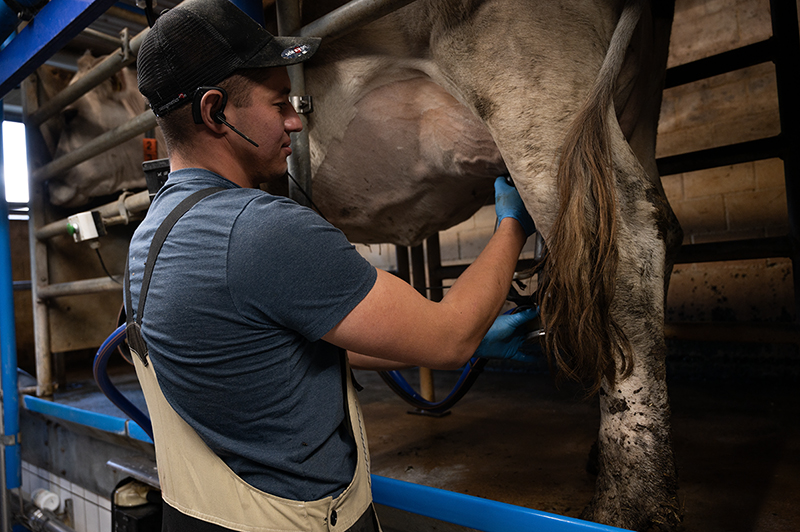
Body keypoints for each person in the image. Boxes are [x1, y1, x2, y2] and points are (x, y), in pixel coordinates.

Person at [126, 0, 538, 531]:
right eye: (279, 104)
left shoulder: (151, 234)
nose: (296, 121)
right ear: (215, 111)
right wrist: (513, 225)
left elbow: (280, 347)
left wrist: (478, 341)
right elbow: (450, 337)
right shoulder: (262, 230)